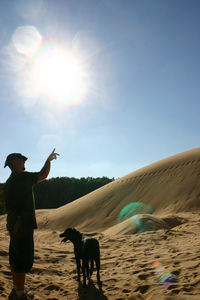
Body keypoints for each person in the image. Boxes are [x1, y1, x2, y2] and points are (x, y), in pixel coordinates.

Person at [4, 148, 59, 300]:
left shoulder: (10, 180)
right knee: (23, 260)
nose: (24, 161)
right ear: (14, 162)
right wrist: (48, 161)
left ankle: (16, 290)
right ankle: (20, 295)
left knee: (15, 258)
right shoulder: (20, 177)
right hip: (22, 225)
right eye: (22, 159)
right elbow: (42, 175)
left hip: (14, 223)